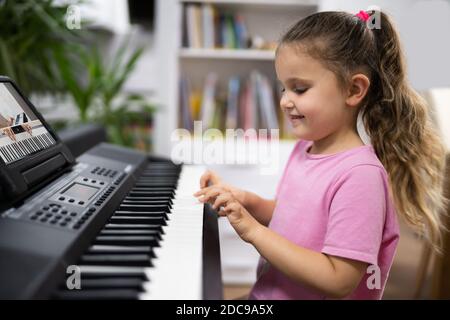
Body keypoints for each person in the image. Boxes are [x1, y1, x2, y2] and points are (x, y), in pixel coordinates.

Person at [194, 10, 447, 299]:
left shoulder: (360, 177)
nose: (285, 100)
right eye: (283, 88)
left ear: (354, 89)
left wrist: (253, 232)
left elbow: (338, 278)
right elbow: (293, 218)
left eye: (299, 89)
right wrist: (244, 201)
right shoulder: (306, 147)